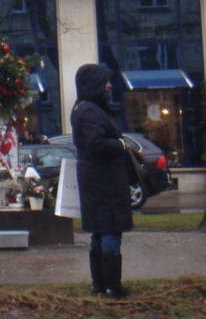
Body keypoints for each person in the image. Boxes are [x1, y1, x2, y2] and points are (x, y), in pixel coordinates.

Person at [71, 63, 133, 299]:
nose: (109, 85)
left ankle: (100, 285)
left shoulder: (83, 109)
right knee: (109, 231)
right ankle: (112, 287)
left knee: (99, 232)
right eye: (105, 81)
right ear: (94, 84)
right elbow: (95, 144)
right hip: (104, 182)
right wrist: (120, 144)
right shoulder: (91, 112)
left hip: (96, 181)